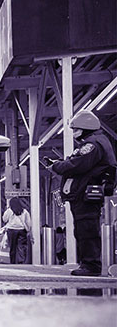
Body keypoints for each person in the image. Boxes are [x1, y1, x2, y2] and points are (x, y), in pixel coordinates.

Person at [46, 111, 116, 276]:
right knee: (84, 229)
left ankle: (91, 266)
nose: (74, 133)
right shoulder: (97, 142)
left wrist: (57, 166)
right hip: (84, 193)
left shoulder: (93, 144)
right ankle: (88, 264)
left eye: (76, 129)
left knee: (86, 229)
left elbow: (77, 164)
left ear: (86, 128)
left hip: (86, 194)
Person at [1, 197, 33, 264]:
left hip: (11, 231)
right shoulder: (24, 211)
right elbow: (28, 222)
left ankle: (13, 261)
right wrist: (28, 229)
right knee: (21, 246)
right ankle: (21, 260)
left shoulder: (9, 211)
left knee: (12, 247)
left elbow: (4, 219)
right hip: (22, 231)